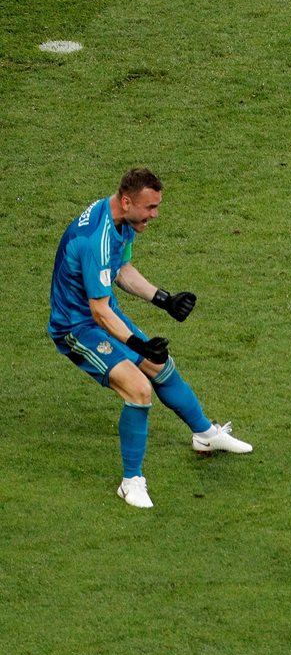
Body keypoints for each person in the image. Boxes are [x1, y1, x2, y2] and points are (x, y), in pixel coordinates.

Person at [47, 168, 252, 508]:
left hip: (102, 315)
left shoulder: (122, 220)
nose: (155, 215)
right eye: (150, 207)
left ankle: (205, 434)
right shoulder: (96, 239)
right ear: (127, 201)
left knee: (160, 365)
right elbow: (98, 312)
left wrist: (164, 300)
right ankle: (131, 482)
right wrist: (138, 346)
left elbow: (121, 270)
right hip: (76, 327)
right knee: (139, 389)